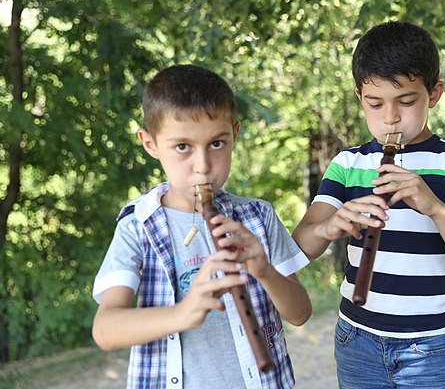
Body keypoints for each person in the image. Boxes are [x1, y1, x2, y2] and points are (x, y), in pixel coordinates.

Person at [292, 21, 445, 389]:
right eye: (375, 103)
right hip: (356, 340)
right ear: (360, 96)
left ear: (434, 93)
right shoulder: (348, 164)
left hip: (429, 346)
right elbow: (298, 249)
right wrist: (330, 225)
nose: (390, 117)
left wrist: (434, 207)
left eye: (406, 101)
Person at [92, 64, 312, 389]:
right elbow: (105, 330)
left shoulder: (258, 217)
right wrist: (183, 312)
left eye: (217, 144)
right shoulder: (137, 225)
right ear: (150, 144)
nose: (203, 166)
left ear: (234, 134)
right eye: (183, 147)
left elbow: (300, 314)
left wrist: (263, 270)